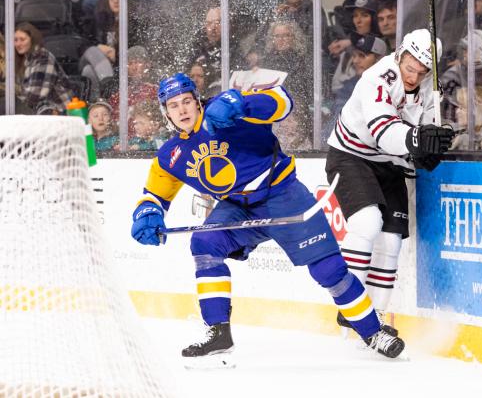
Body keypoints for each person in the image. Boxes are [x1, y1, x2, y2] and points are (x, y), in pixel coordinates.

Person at [130, 73, 406, 364]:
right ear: (165, 113)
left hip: (282, 195)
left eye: (187, 101)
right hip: (238, 207)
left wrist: (243, 104)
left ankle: (374, 333)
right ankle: (218, 332)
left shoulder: (227, 112)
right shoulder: (170, 155)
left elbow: (284, 101)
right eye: (173, 105)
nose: (182, 110)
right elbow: (154, 195)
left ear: (197, 101)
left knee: (328, 271)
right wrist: (147, 214)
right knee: (205, 242)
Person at [325, 29, 454, 332]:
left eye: (422, 72)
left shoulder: (429, 90)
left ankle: (375, 320)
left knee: (391, 241)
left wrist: (429, 147)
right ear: (400, 54)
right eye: (410, 68)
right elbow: (385, 132)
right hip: (351, 156)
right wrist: (416, 139)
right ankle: (350, 305)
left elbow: (421, 135)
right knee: (367, 223)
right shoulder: (378, 78)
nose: (413, 77)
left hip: (389, 163)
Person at [14, 22, 74, 114]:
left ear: (32, 40)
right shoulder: (25, 60)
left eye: (22, 39)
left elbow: (34, 96)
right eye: (15, 40)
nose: (18, 44)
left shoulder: (42, 57)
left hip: (62, 113)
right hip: (40, 111)